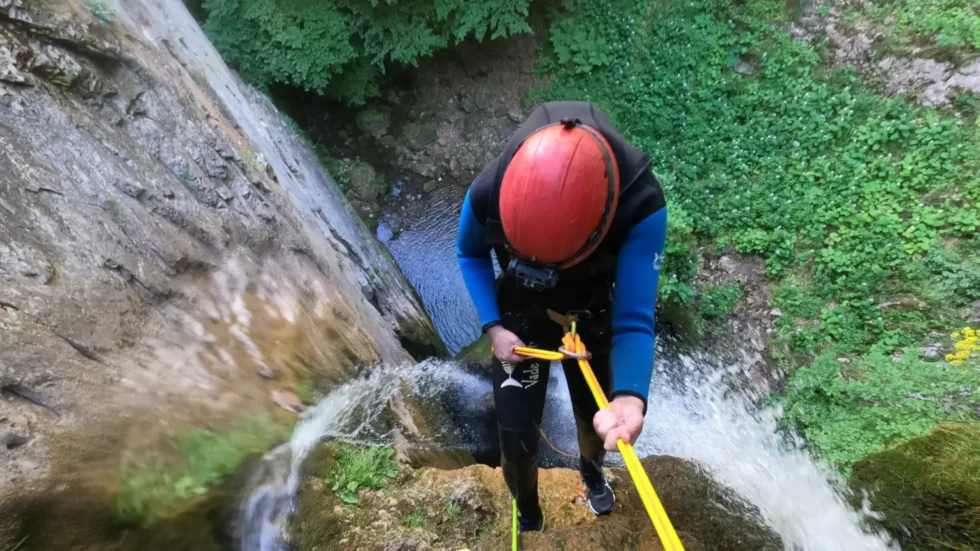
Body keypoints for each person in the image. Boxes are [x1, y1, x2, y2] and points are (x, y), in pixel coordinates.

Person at [455, 101, 668, 532]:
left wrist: (630, 395)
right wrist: (493, 327)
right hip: (519, 318)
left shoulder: (638, 207)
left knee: (598, 417)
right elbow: (469, 252)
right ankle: (528, 512)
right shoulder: (487, 192)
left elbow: (634, 318)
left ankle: (592, 474)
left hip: (590, 317)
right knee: (514, 436)